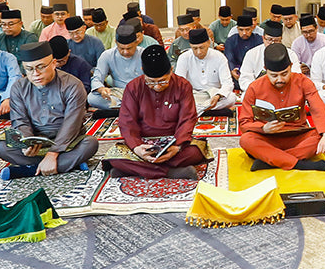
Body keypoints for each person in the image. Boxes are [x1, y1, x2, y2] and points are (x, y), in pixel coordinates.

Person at [0, 41, 98, 179]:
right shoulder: (19, 87)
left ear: (54, 63)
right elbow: (19, 121)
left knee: (90, 144)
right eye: (29, 69)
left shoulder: (72, 85)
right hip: (35, 142)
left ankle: (30, 170)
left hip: (67, 142)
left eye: (41, 67)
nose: (35, 74)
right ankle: (65, 165)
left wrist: (53, 153)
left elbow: (72, 124)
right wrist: (26, 143)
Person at [106, 45, 208, 179]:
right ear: (143, 72)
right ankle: (171, 172)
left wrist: (177, 146)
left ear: (171, 70)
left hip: (173, 142)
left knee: (196, 151)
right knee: (114, 157)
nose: (157, 86)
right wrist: (137, 148)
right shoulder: (133, 87)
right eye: (151, 82)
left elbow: (188, 119)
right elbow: (127, 122)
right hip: (143, 143)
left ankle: (135, 169)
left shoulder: (183, 86)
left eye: (163, 81)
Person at [239, 44, 325, 171]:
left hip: (297, 135)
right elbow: (244, 123)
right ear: (265, 70)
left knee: (323, 135)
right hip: (268, 137)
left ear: (291, 66)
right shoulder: (254, 87)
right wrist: (263, 128)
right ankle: (300, 164)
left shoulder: (303, 82)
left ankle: (271, 160)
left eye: (284, 74)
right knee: (246, 140)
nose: (280, 79)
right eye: (274, 75)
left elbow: (318, 108)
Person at [175, 28, 237, 116]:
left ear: (208, 43)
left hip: (213, 94)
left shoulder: (219, 57)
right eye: (195, 48)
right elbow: (179, 84)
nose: (199, 52)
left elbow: (228, 83)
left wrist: (218, 95)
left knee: (231, 98)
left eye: (202, 47)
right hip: (193, 95)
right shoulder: (184, 57)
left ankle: (195, 111)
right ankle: (207, 111)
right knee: (176, 100)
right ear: (190, 45)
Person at [89, 24, 143, 110]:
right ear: (116, 42)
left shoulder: (144, 54)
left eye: (129, 48)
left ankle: (124, 108)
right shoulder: (107, 55)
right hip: (119, 93)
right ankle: (132, 108)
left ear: (136, 42)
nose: (125, 52)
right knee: (92, 98)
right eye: (121, 48)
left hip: (141, 92)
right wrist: (102, 89)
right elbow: (96, 78)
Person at [242, 20, 302, 87]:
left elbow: (296, 76)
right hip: (259, 90)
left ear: (281, 39)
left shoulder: (290, 54)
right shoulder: (252, 54)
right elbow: (245, 79)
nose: (272, 43)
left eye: (276, 40)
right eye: (269, 39)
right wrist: (258, 89)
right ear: (263, 38)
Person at [225, 14, 264, 88]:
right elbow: (229, 58)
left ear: (252, 28)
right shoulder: (231, 41)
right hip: (237, 73)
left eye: (247, 29)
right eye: (241, 30)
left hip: (255, 73)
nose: (244, 33)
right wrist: (232, 70)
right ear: (237, 29)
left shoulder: (259, 40)